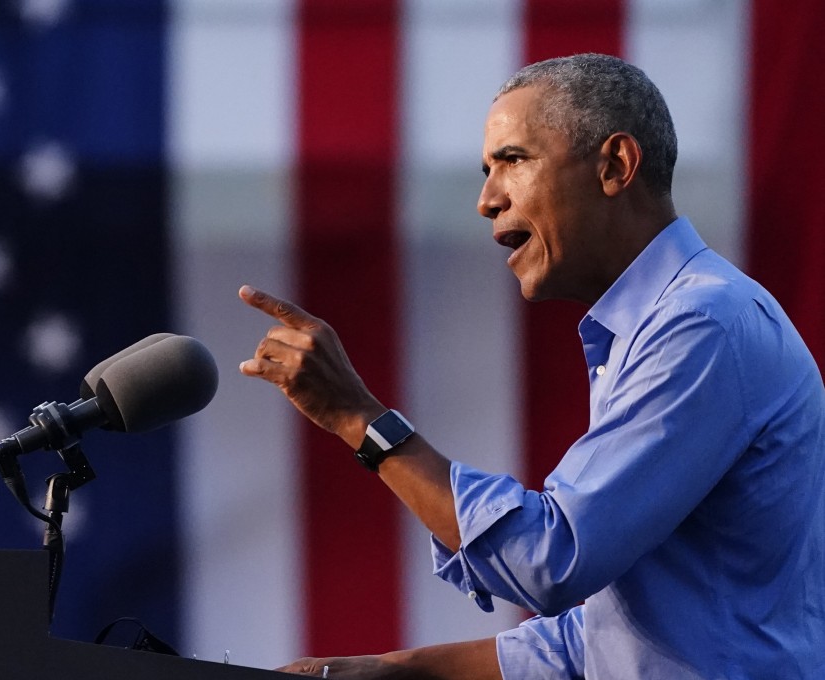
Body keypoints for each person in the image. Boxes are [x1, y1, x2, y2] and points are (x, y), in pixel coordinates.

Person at [238, 53, 825, 679]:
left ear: (615, 166)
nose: (487, 199)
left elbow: (553, 558)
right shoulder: (663, 324)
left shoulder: (703, 324)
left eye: (512, 161)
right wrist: (395, 668)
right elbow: (606, 642)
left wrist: (360, 419)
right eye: (487, 170)